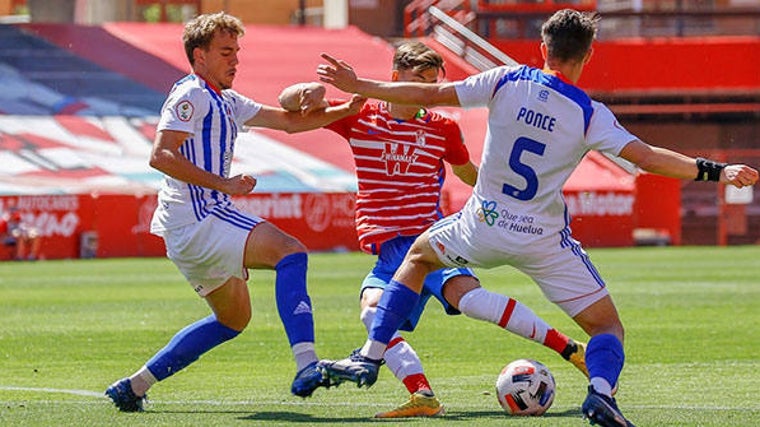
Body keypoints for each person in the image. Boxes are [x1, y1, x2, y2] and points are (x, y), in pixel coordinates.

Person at [314, 9, 759, 427]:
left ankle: (371, 355)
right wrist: (716, 171)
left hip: (483, 224)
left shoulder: (507, 79)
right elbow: (646, 158)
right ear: (588, 55)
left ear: (543, 49)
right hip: (543, 238)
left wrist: (361, 85)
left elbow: (429, 94)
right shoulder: (588, 112)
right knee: (606, 327)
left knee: (418, 255)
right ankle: (601, 392)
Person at [280, 41, 589, 418]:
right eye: (419, 81)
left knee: (471, 300)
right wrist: (304, 92)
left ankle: (571, 350)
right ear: (395, 79)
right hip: (389, 251)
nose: (427, 90)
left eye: (432, 82)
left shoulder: (442, 128)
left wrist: (503, 200)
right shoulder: (359, 116)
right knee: (371, 313)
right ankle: (422, 395)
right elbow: (289, 109)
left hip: (431, 242)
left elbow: (466, 172)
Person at [105, 12, 365, 412]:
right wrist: (223, 184)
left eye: (237, 51)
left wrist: (347, 108)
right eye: (226, 52)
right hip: (200, 215)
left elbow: (289, 124)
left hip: (188, 228)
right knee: (290, 252)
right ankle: (307, 364)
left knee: (232, 320)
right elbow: (161, 155)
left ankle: (134, 386)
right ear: (200, 55)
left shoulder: (225, 100)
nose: (236, 60)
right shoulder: (191, 94)